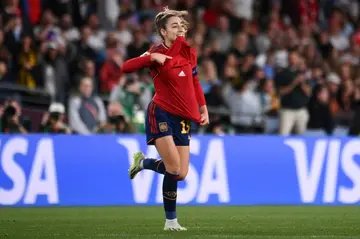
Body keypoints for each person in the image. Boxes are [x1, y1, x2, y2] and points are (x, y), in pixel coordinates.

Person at [121, 8, 209, 231]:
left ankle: (143, 163)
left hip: (182, 116)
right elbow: (125, 67)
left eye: (182, 25)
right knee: (173, 168)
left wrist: (203, 107)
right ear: (163, 31)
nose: (180, 29)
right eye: (174, 26)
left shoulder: (189, 53)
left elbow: (195, 83)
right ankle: (171, 221)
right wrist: (151, 57)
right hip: (160, 112)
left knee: (181, 173)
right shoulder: (156, 52)